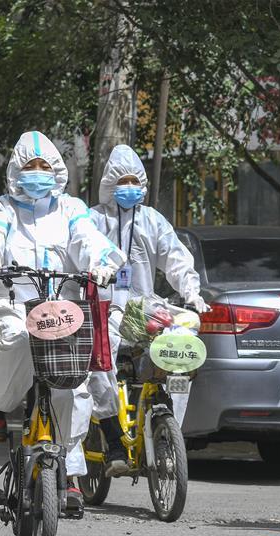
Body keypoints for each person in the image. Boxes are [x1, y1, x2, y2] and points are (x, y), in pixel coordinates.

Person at [0, 130, 125, 513]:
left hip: (62, 312)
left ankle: (67, 472)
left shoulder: (72, 209)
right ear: (17, 172)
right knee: (20, 342)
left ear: (57, 171)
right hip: (12, 306)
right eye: (30, 166)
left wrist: (103, 264)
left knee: (72, 389)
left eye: (44, 166)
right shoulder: (2, 210)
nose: (38, 173)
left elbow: (91, 241)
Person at [88, 145, 208, 475]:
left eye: (134, 180)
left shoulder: (152, 220)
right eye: (122, 181)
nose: (129, 187)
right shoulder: (93, 220)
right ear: (110, 183)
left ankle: (168, 432)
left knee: (186, 334)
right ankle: (114, 439)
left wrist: (192, 292)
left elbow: (177, 260)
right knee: (100, 360)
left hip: (143, 310)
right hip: (106, 309)